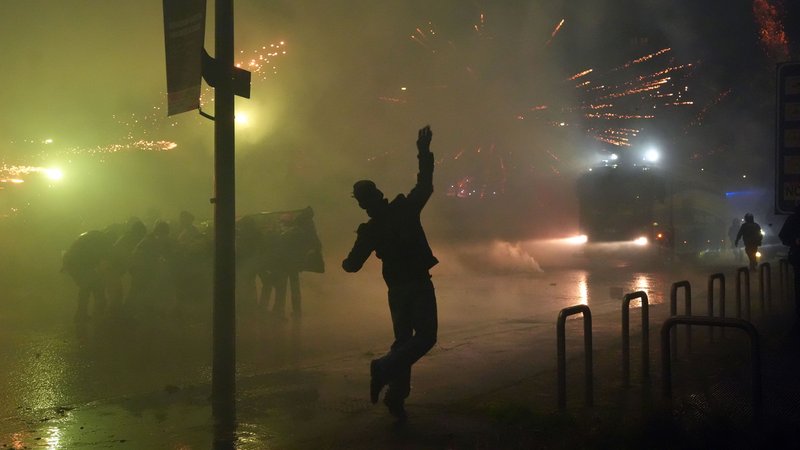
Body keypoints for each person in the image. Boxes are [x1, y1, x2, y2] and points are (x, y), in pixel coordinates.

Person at [342, 125, 438, 421]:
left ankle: (395, 396)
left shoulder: (370, 231)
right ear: (380, 194)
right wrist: (423, 152)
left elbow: (352, 265)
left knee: (404, 341)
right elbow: (425, 186)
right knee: (425, 337)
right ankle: (383, 370)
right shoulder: (405, 209)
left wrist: (354, 252)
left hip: (397, 289)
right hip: (419, 284)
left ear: (362, 204)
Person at [61, 229, 113, 323]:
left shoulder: (94, 235)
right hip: (78, 264)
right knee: (94, 287)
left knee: (86, 288)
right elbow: (102, 265)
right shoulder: (104, 241)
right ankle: (96, 316)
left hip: (71, 262)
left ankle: (81, 315)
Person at [779, 205, 800, 321]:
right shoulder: (793, 219)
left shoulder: (792, 219)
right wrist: (795, 241)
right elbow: (783, 236)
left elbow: (783, 236)